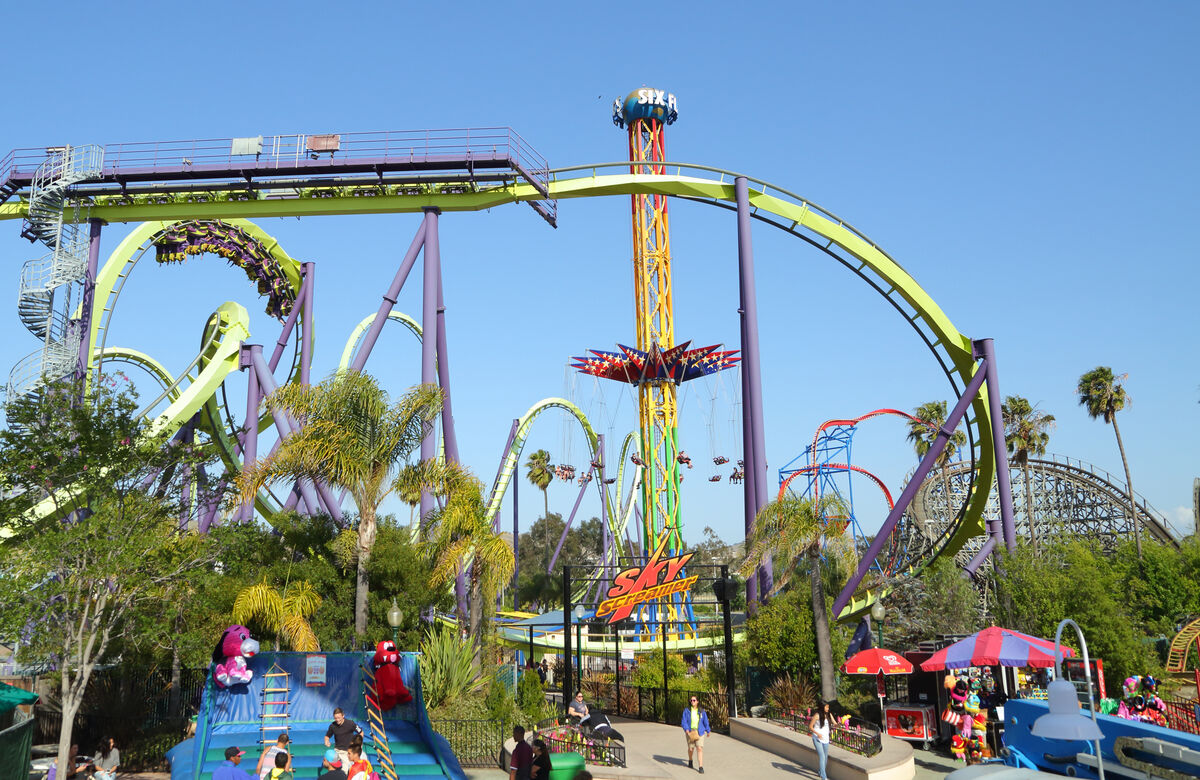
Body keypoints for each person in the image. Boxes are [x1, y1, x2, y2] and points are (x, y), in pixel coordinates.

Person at [681, 695, 710, 773]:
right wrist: (686, 729)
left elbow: (705, 721)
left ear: (697, 701)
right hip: (690, 731)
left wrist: (708, 730)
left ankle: (700, 766)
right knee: (691, 749)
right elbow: (684, 721)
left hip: (699, 731)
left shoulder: (701, 711)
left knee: (699, 748)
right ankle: (690, 760)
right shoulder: (687, 710)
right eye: (691, 700)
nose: (692, 702)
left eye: (694, 700)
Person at [810, 701, 832, 780]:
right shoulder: (817, 715)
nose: (828, 709)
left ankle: (820, 772)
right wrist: (817, 734)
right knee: (822, 756)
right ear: (822, 707)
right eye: (826, 707)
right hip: (817, 738)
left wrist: (841, 723)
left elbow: (835, 723)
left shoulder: (829, 714)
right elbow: (810, 727)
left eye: (828, 707)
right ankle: (824, 777)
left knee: (825, 757)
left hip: (826, 738)